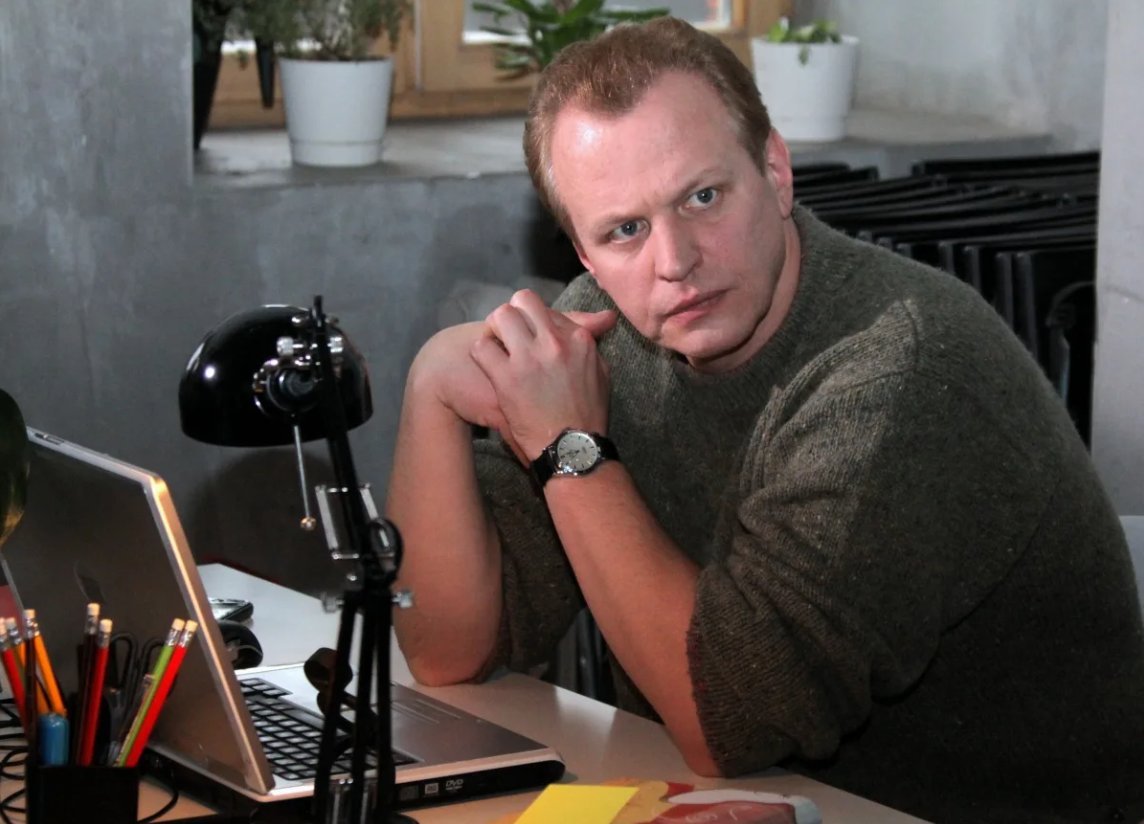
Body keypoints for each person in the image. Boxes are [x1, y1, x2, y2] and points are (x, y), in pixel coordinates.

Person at [386, 16, 1144, 824]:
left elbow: (732, 721)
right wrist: (431, 389)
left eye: (702, 197)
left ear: (776, 174)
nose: (674, 261)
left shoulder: (899, 375)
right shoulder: (607, 332)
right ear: (583, 252)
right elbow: (448, 652)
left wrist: (568, 448)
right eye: (624, 230)